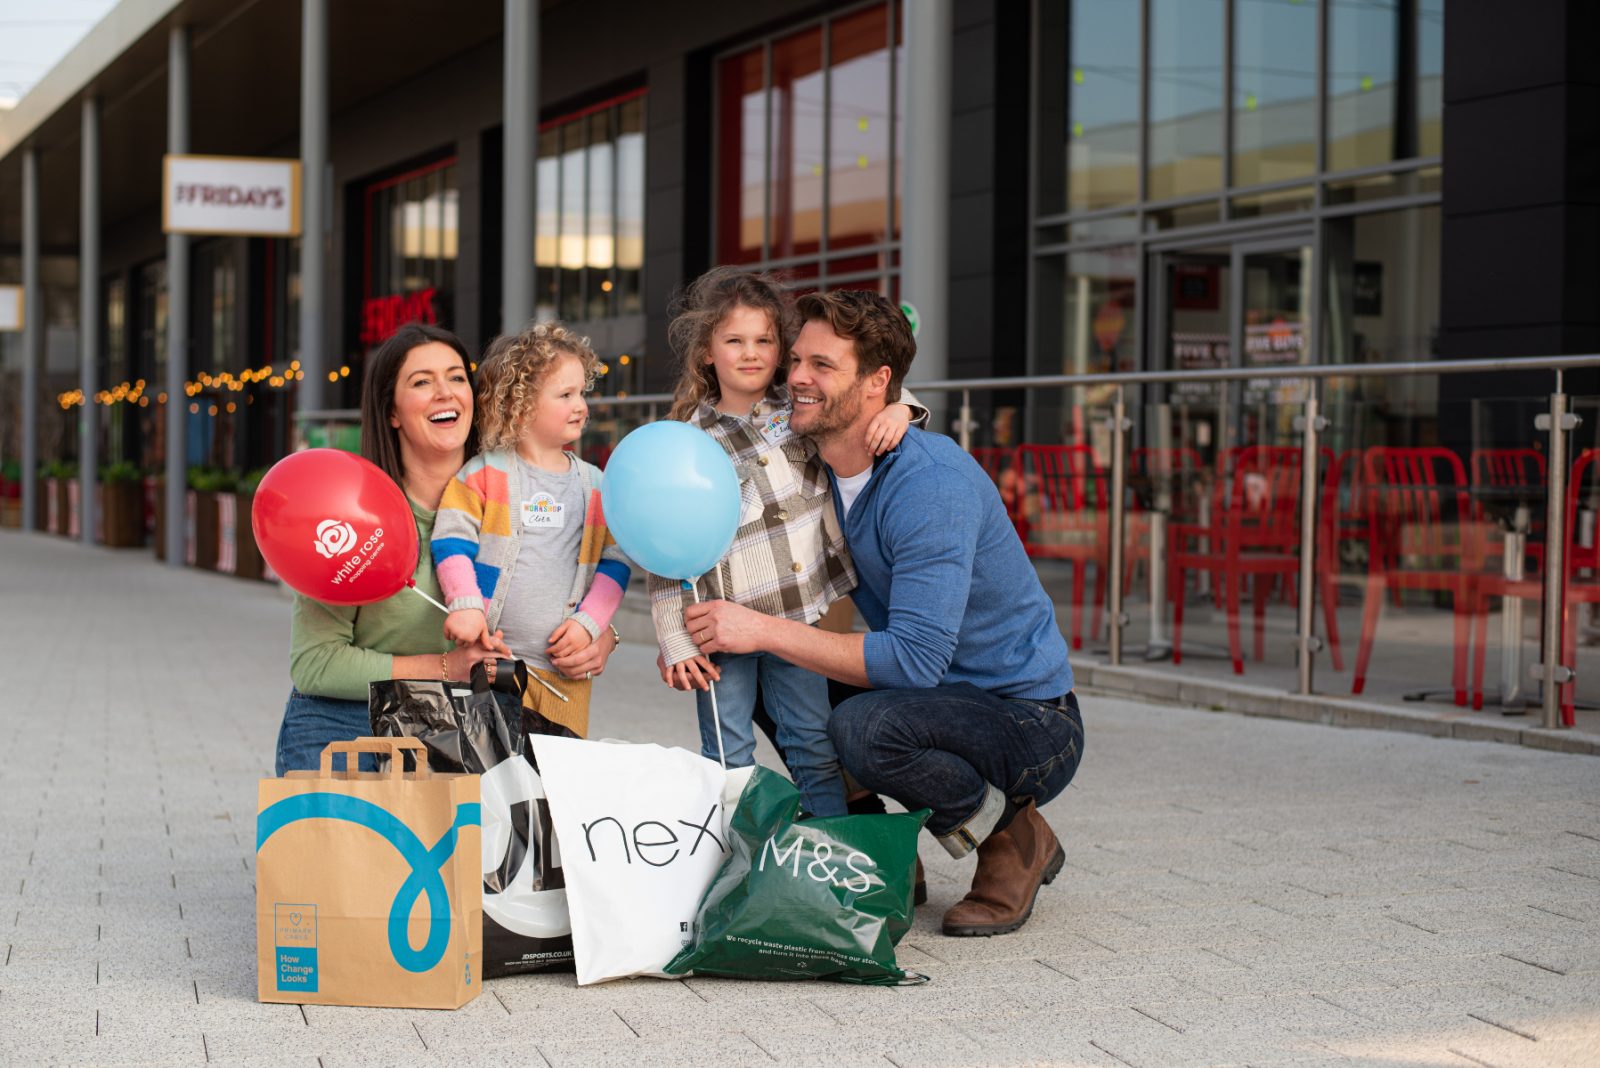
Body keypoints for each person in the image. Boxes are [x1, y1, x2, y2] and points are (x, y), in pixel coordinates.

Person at [683, 289, 1083, 938]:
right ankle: (875, 852)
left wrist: (761, 627)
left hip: (1028, 717)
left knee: (866, 727)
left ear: (878, 385)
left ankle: (1010, 834)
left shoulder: (928, 484)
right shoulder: (818, 456)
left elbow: (914, 662)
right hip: (939, 695)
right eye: (799, 362)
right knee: (767, 678)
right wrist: (695, 631)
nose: (799, 380)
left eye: (823, 367)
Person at [276, 324, 614, 773]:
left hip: (457, 723)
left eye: (456, 378)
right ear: (391, 411)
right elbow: (316, 664)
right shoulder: (354, 517)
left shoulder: (526, 498)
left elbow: (575, 578)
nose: (445, 393)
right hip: (343, 719)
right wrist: (446, 666)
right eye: (421, 382)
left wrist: (602, 635)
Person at [650, 267, 921, 817]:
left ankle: (833, 852)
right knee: (728, 751)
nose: (750, 353)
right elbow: (663, 546)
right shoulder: (687, 440)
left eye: (764, 340)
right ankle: (732, 861)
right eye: (734, 341)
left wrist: (903, 409)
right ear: (707, 352)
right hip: (719, 625)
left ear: (781, 349)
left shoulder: (799, 411)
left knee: (811, 740)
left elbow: (868, 389)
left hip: (797, 618)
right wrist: (674, 638)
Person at [432, 321, 630, 738]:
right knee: (494, 778)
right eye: (565, 395)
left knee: (557, 784)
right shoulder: (484, 474)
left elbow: (616, 563)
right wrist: (466, 603)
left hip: (565, 675)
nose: (581, 405)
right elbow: (452, 539)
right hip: (491, 665)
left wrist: (589, 625)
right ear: (520, 406)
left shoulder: (596, 486)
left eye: (582, 393)